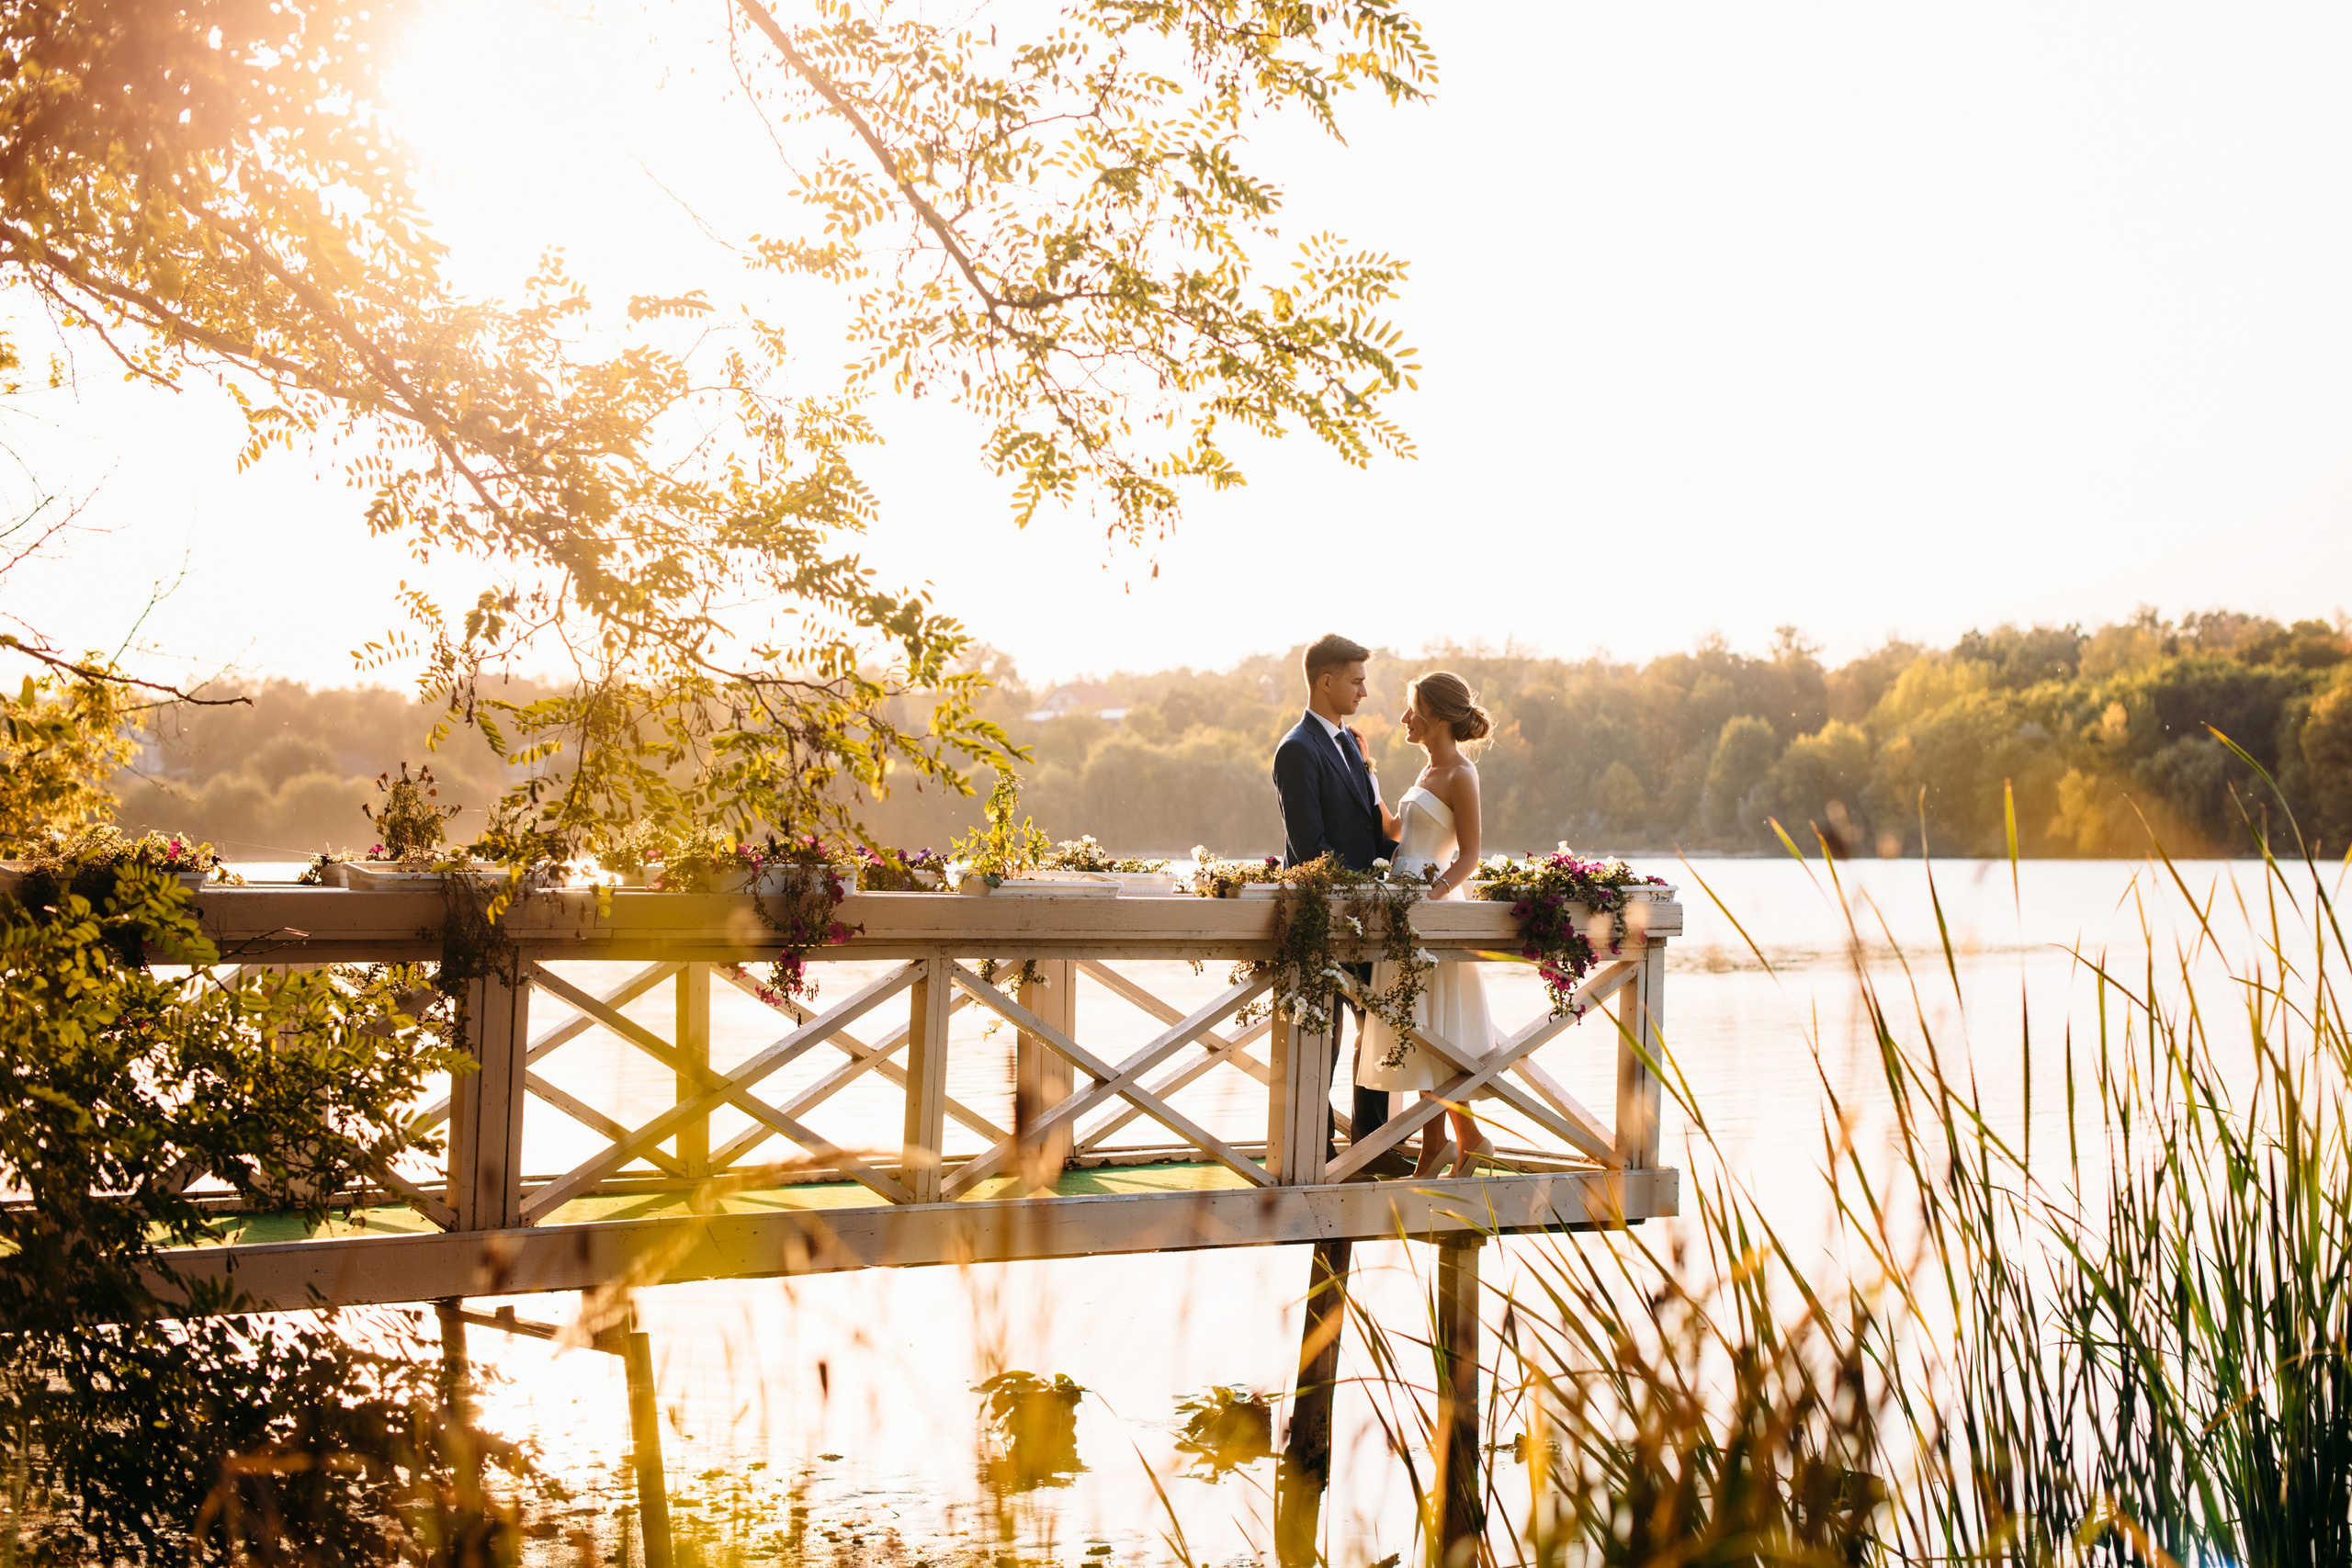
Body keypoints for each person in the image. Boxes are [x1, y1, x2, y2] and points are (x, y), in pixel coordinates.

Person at [1356, 671, 1497, 1179]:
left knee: (1435, 1029)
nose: (1404, 718)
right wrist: (1368, 771)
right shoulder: (1424, 775)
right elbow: (1395, 832)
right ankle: (1438, 1144)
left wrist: (1430, 901)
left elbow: (1471, 856)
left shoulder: (1462, 773)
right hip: (1403, 908)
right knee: (1418, 1029)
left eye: (1412, 709)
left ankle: (1468, 1139)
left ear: (1436, 716)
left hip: (1432, 911)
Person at [1271, 634, 1400, 1159]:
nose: (1364, 691)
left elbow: (1372, 832)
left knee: (1378, 1032)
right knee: (1320, 1037)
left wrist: (1404, 871)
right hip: (1321, 917)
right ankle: (1316, 1146)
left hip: (1368, 918)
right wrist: (1364, 891)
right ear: (1326, 681)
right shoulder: (1297, 749)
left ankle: (1372, 1145)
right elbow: (1311, 849)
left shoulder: (1351, 744)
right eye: (1357, 680)